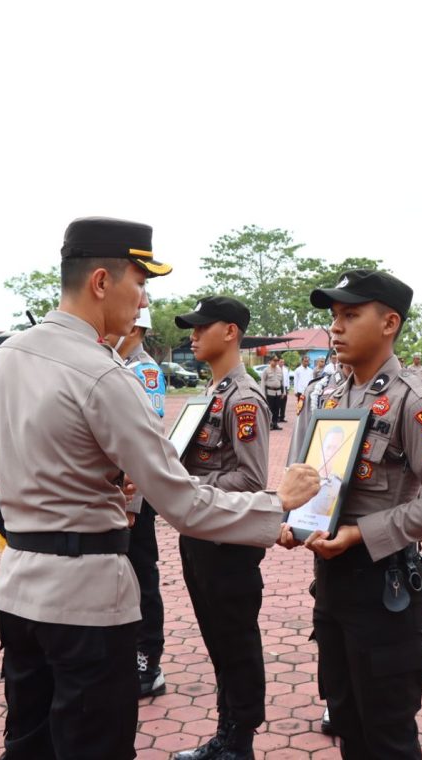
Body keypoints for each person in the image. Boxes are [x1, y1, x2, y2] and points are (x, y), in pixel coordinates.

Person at [0, 217, 319, 760]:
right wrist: (279, 504)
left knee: (29, 742)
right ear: (102, 282)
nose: (143, 299)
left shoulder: (0, 359)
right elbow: (181, 502)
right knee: (94, 744)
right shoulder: (107, 376)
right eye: (139, 281)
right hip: (86, 600)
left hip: (18, 590)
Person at [280, 269, 422, 759]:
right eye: (333, 316)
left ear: (389, 323)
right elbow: (302, 477)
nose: (336, 327)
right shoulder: (326, 396)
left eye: (350, 314)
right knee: (346, 721)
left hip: (386, 589)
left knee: (388, 735)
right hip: (332, 582)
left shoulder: (414, 402)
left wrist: (359, 534)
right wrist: (291, 520)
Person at [172, 295, 273, 760]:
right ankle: (226, 732)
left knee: (235, 640)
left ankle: (241, 739)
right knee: (217, 638)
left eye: (201, 327)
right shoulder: (210, 394)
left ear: (230, 332)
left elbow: (252, 480)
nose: (192, 335)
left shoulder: (244, 399)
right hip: (199, 537)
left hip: (228, 542)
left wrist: (187, 485)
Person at [104, 310, 168, 699]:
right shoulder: (112, 362)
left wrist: (134, 504)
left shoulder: (144, 370)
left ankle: (149, 660)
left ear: (137, 328)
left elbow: (147, 442)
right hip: (112, 495)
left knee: (143, 576)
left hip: (134, 497)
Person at [262, 356, 285, 430]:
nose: (275, 362)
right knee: (270, 409)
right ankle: (269, 423)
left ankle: (275, 423)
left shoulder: (279, 370)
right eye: (274, 360)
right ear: (270, 361)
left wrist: (283, 391)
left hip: (278, 392)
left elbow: (282, 381)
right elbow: (263, 382)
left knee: (277, 409)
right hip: (270, 392)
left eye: (277, 360)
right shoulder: (266, 370)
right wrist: (263, 394)